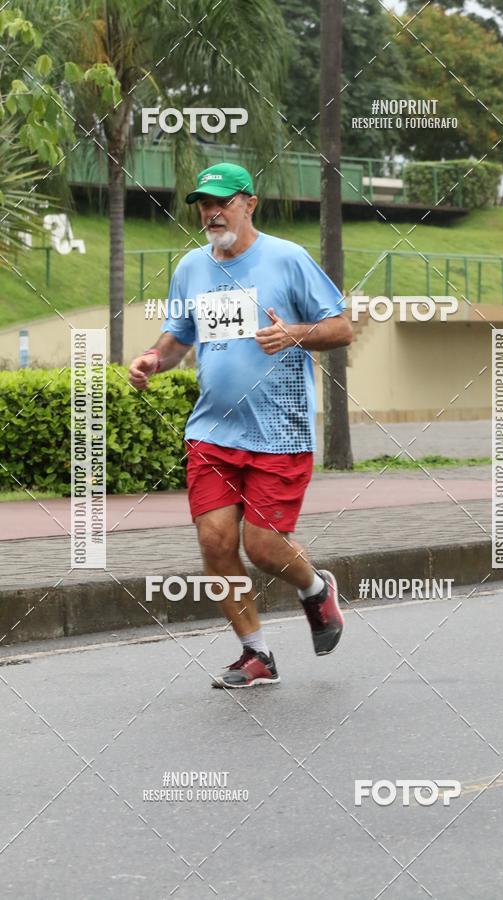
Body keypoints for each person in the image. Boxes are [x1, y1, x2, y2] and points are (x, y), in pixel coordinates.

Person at [128, 162, 353, 688]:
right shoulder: (191, 268)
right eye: (204, 204)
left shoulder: (287, 258)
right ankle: (256, 654)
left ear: (250, 203)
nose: (211, 212)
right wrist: (152, 360)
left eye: (222, 201)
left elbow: (342, 327)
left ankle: (316, 589)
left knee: (265, 547)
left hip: (280, 429)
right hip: (212, 431)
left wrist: (294, 334)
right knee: (215, 542)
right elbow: (178, 336)